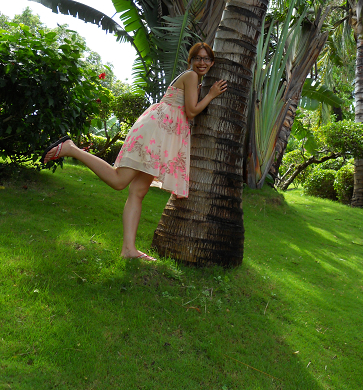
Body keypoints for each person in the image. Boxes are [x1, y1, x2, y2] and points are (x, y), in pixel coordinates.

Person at [42, 42, 227, 261]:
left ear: (212, 62)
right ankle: (71, 149)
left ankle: (128, 250)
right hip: (155, 132)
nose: (202, 62)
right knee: (119, 181)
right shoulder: (191, 76)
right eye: (198, 58)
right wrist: (212, 94)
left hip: (160, 133)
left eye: (206, 59)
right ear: (191, 60)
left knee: (138, 192)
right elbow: (191, 111)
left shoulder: (194, 80)